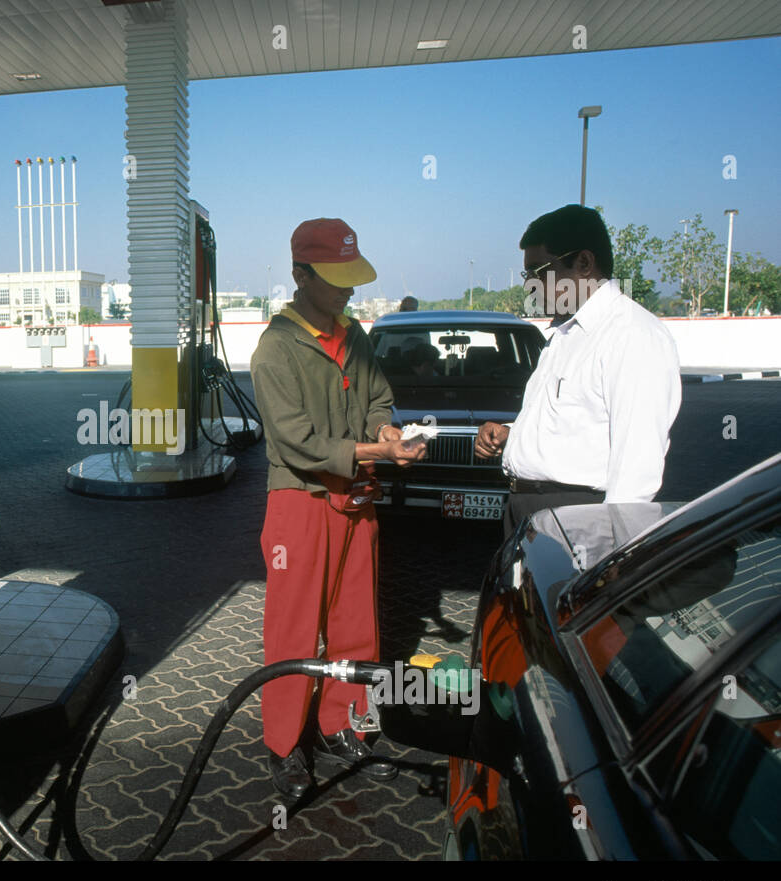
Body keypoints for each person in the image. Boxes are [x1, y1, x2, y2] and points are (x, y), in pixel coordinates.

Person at [250, 217, 426, 801]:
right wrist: (368, 451)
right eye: (335, 279)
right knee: (295, 629)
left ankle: (341, 723)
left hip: (357, 498)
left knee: (357, 623)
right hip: (300, 502)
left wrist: (388, 434)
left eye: (352, 277)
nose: (348, 289)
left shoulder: (357, 335)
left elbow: (379, 399)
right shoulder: (276, 347)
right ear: (300, 275)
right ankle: (282, 744)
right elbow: (295, 438)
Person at [474, 204, 681, 540]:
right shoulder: (566, 333)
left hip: (578, 521)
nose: (529, 286)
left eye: (538, 271)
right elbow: (577, 421)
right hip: (532, 512)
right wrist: (513, 434)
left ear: (584, 263)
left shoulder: (631, 335)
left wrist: (615, 559)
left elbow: (637, 464)